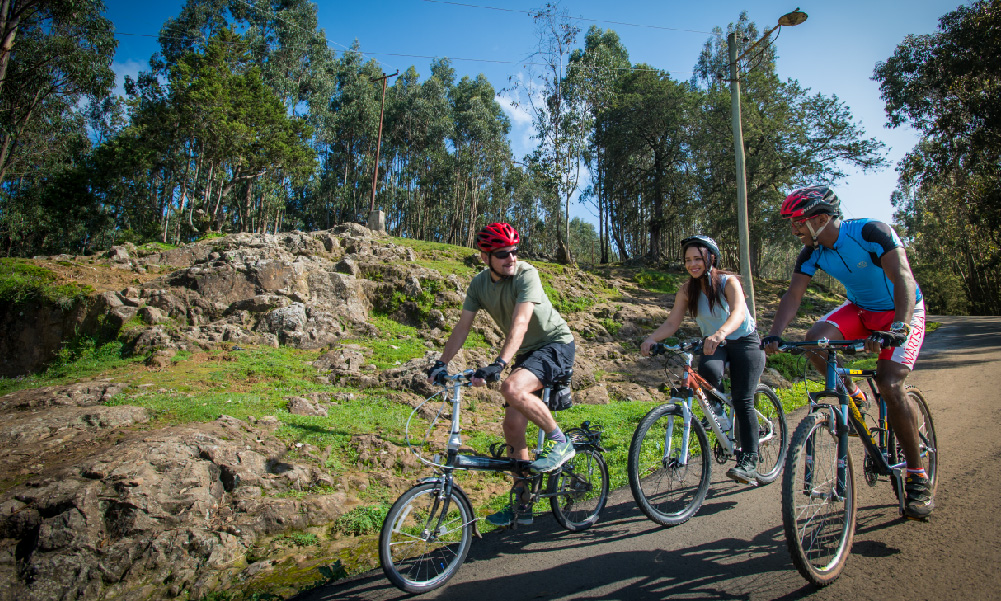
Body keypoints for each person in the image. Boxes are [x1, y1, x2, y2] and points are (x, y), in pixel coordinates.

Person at [762, 185, 932, 519]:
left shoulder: (871, 232)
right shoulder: (810, 253)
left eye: (797, 221)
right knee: (815, 340)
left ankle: (917, 476)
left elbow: (902, 279)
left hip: (901, 312)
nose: (793, 229)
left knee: (890, 382)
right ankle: (853, 394)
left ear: (821, 218)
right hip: (861, 310)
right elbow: (793, 296)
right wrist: (774, 335)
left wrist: (900, 326)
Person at [427, 222, 577, 527]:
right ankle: (524, 503)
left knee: (511, 387)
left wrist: (499, 363)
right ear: (485, 257)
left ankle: (561, 442)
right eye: (502, 254)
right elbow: (462, 327)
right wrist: (441, 363)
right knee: (511, 427)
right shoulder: (479, 285)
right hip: (526, 352)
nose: (511, 258)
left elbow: (521, 322)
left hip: (555, 344)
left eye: (514, 251)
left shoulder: (526, 274)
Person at [640, 235, 766, 485]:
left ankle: (750, 459)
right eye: (688, 260)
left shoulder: (729, 282)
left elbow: (739, 313)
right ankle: (719, 421)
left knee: (742, 399)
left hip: (744, 341)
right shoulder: (688, 289)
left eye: (698, 258)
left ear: (711, 258)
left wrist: (720, 333)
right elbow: (672, 322)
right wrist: (651, 339)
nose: (692, 264)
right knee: (707, 371)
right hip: (715, 343)